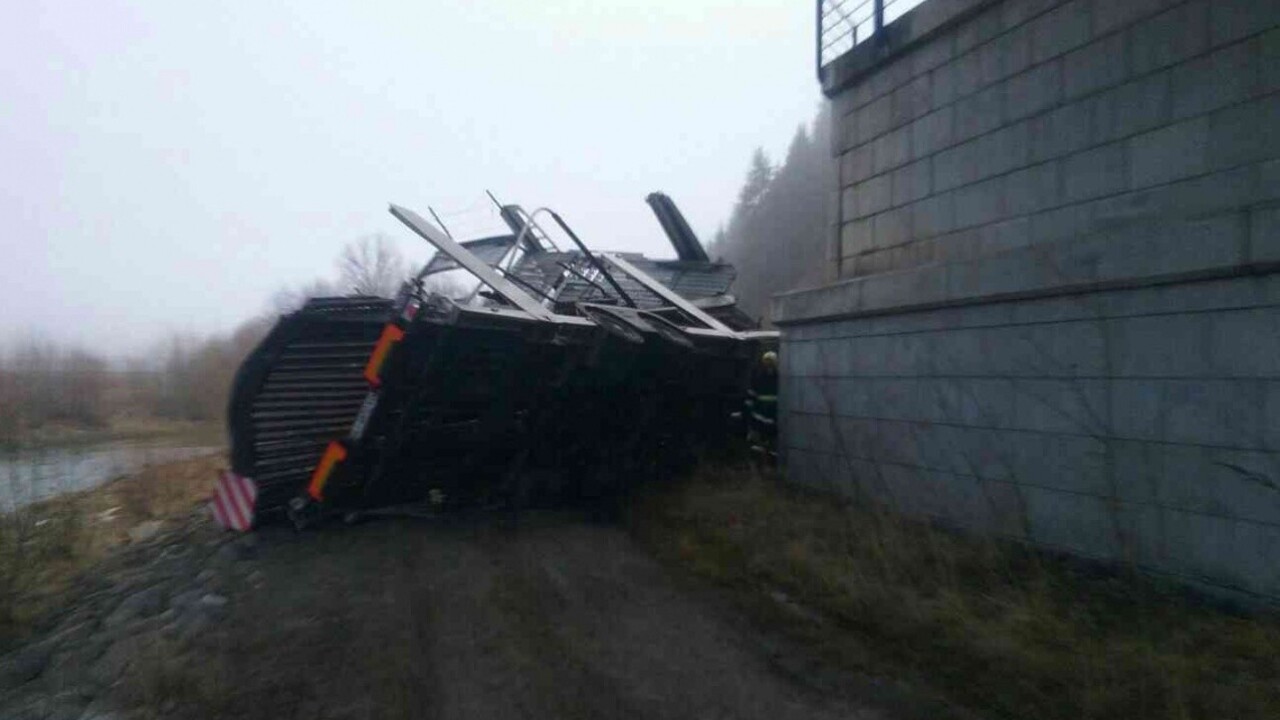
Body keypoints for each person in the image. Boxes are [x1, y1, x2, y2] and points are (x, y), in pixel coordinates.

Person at [745, 350, 778, 461]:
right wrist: (750, 407)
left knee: (770, 433)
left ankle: (769, 454)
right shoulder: (759, 376)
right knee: (760, 432)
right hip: (760, 410)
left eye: (771, 362)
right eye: (767, 362)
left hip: (772, 411)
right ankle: (761, 455)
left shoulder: (779, 377)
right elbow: (752, 393)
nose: (768, 364)